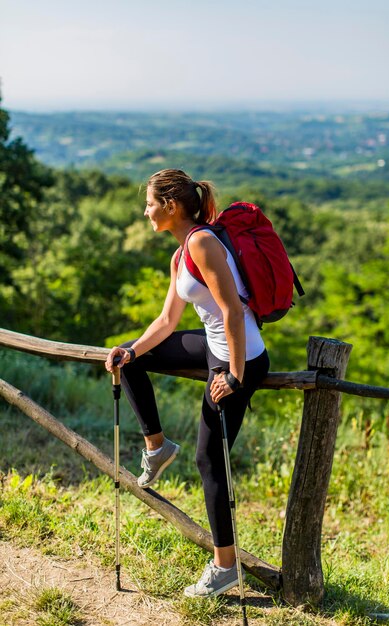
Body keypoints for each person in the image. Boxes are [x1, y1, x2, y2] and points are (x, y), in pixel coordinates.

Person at [105, 169, 269, 598]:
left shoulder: (202, 242)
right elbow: (166, 322)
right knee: (131, 353)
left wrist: (233, 375)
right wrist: (132, 351)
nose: (145, 211)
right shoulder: (182, 254)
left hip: (243, 356)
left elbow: (233, 311)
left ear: (171, 206)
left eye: (149, 204)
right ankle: (157, 447)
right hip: (214, 346)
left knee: (210, 458)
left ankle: (225, 566)